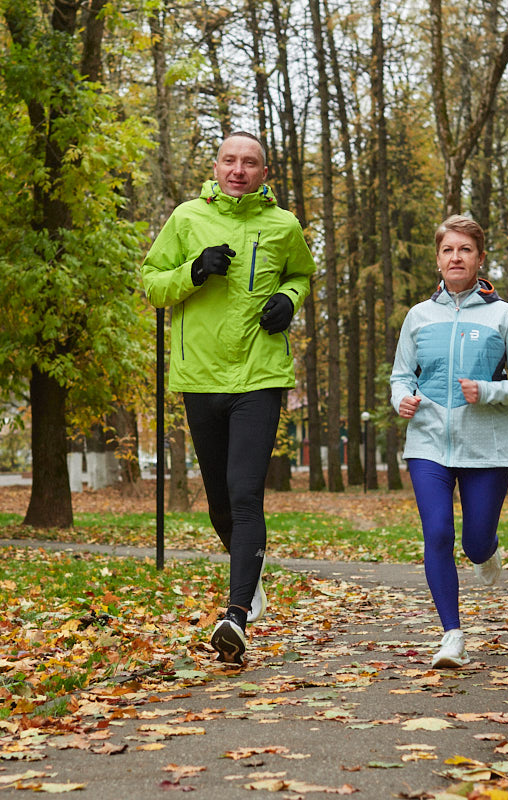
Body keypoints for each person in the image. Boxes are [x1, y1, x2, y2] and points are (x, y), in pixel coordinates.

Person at [141, 132, 314, 665]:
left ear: (264, 173)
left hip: (260, 375)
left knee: (244, 494)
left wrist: (288, 299)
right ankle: (251, 576)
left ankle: (235, 615)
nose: (239, 170)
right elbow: (153, 283)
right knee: (218, 503)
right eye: (230, 161)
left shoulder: (283, 225)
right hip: (200, 376)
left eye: (250, 163)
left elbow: (301, 274)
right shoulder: (187, 218)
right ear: (215, 168)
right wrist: (195, 270)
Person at [390, 215, 508, 669]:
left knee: (475, 544)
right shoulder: (418, 316)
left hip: (487, 446)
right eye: (447, 250)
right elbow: (401, 375)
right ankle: (451, 635)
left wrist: (489, 391)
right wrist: (401, 398)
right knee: (438, 533)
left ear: (479, 259)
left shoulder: (503, 315)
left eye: (465, 250)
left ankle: (486, 550)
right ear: (438, 260)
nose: (455, 257)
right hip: (428, 442)